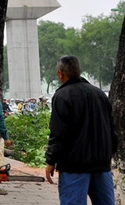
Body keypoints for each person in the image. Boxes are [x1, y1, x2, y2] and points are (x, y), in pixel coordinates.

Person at [45, 56, 117, 204]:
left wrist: (51, 160)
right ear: (79, 71)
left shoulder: (62, 95)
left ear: (60, 73)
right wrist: (109, 154)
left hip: (74, 165)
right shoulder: (99, 94)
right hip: (101, 163)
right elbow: (111, 129)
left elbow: (59, 133)